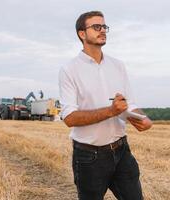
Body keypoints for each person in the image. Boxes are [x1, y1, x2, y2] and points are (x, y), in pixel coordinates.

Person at [58, 11, 153, 200]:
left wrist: (140, 118)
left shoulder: (118, 65)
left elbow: (128, 104)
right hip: (89, 157)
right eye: (96, 27)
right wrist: (111, 111)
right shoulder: (69, 70)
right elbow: (69, 118)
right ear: (81, 34)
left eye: (104, 27)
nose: (102, 30)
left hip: (122, 151)